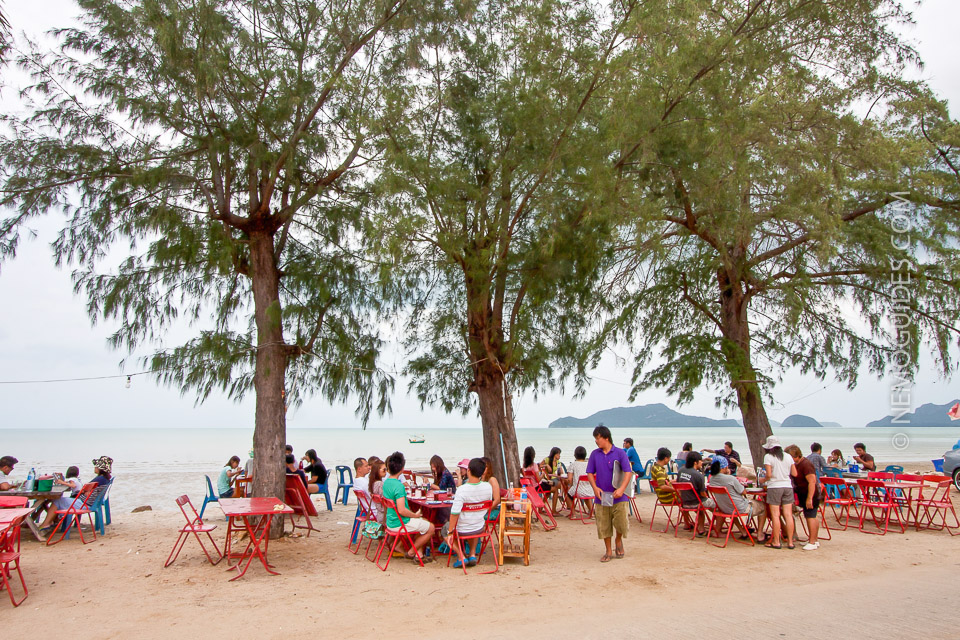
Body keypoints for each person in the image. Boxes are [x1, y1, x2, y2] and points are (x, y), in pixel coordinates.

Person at [586, 425, 633, 562]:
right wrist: (595, 488)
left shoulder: (620, 453)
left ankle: (618, 540)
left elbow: (628, 472)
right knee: (604, 524)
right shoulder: (595, 454)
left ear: (606, 438)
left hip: (619, 495)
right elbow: (589, 472)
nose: (596, 441)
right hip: (602, 495)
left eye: (598, 438)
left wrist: (622, 489)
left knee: (621, 522)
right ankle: (608, 550)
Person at [382, 451, 435, 562]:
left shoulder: (386, 483)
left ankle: (419, 554)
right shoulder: (399, 486)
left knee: (423, 522)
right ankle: (411, 552)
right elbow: (402, 510)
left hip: (390, 521)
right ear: (402, 469)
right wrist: (414, 515)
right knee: (431, 528)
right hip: (400, 523)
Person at [445, 458, 493, 568]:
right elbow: (488, 506)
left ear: (468, 470)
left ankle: (461, 555)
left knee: (445, 529)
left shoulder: (462, 489)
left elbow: (455, 513)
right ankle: (472, 554)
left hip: (463, 528)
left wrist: (451, 531)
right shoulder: (487, 487)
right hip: (479, 526)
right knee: (475, 520)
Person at [707, 458, 764, 537]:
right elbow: (743, 492)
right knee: (763, 507)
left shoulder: (712, 479)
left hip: (724, 508)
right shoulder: (731, 478)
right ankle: (760, 534)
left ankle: (743, 531)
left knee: (732, 505)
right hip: (738, 508)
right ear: (724, 467)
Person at [761, 435, 797, 549]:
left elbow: (769, 475)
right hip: (787, 486)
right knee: (788, 515)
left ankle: (777, 541)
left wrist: (763, 480)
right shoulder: (788, 457)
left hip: (774, 486)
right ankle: (790, 542)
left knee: (775, 515)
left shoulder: (768, 457)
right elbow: (795, 473)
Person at [786, 445, 821, 551]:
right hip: (802, 493)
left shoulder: (806, 464)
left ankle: (812, 541)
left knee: (811, 516)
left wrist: (809, 498)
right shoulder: (797, 465)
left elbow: (812, 481)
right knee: (810, 515)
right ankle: (813, 538)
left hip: (810, 493)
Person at [676, 451, 715, 534]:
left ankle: (687, 524)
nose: (702, 463)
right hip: (696, 503)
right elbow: (702, 494)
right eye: (700, 461)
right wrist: (707, 497)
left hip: (684, 502)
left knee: (700, 501)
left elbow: (678, 486)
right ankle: (705, 528)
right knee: (716, 505)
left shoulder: (681, 470)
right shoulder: (698, 475)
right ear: (695, 462)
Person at [38, 465, 83, 532]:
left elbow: (73, 485)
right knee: (57, 500)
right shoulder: (77, 479)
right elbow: (70, 484)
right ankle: (54, 520)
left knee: (56, 501)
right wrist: (62, 480)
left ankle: (51, 521)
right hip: (79, 499)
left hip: (76, 499)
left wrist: (61, 482)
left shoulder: (72, 479)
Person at [564, 446, 593, 517]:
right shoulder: (589, 464)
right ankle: (592, 513)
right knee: (586, 495)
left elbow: (569, 480)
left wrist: (566, 482)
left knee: (568, 495)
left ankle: (573, 514)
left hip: (578, 490)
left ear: (575, 455)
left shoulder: (573, 464)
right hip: (590, 490)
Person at [368, 459, 387, 523]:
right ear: (377, 471)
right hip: (385, 516)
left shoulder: (372, 483)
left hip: (379, 515)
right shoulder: (380, 484)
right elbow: (386, 499)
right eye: (384, 470)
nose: (386, 472)